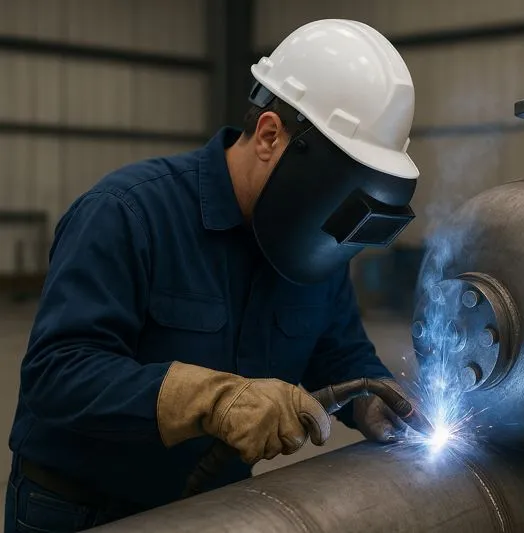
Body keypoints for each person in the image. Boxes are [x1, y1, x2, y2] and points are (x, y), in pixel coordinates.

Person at [4, 19, 419, 533]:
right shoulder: (127, 214)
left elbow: (337, 352)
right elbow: (56, 374)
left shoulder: (313, 245)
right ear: (269, 135)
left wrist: (375, 400)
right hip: (81, 510)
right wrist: (211, 398)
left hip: (217, 512)